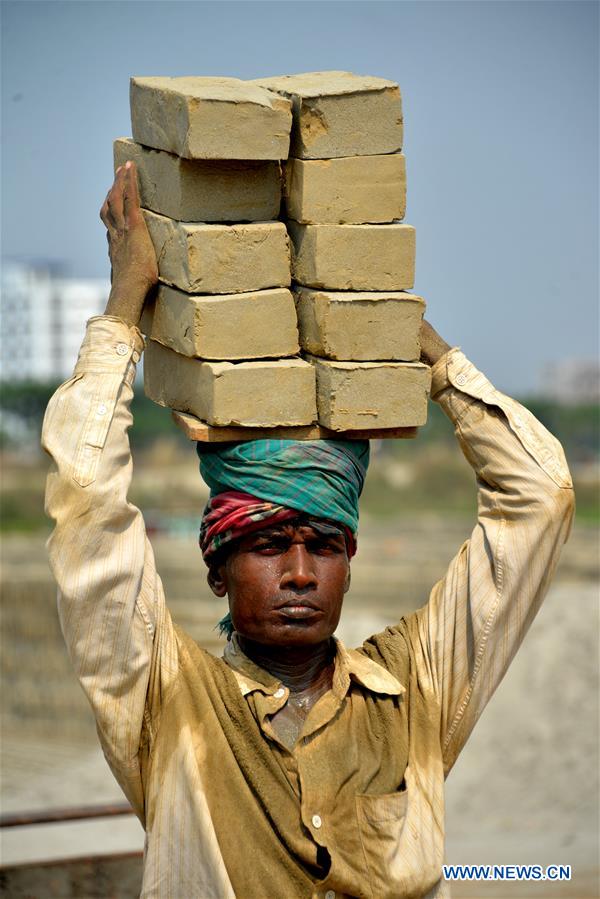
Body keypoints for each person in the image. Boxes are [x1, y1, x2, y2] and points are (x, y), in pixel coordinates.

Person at [42, 162, 574, 899]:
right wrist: (126, 307)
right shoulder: (165, 701)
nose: (300, 572)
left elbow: (541, 498)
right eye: (268, 544)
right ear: (217, 566)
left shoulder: (415, 690)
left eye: (324, 546)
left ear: (349, 561)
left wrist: (420, 347)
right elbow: (88, 505)